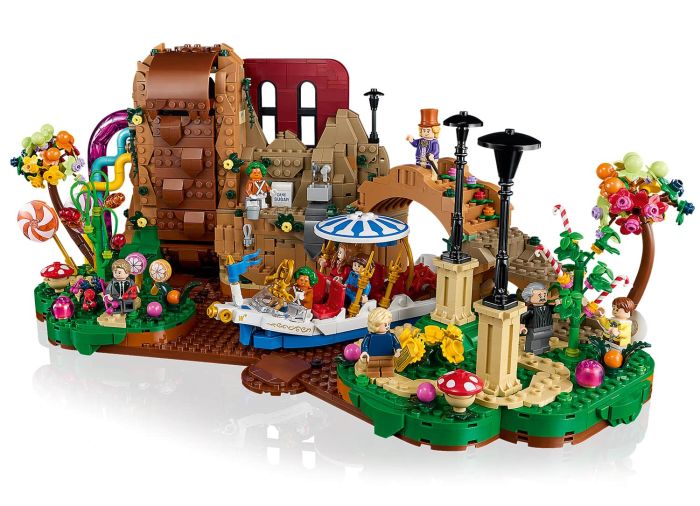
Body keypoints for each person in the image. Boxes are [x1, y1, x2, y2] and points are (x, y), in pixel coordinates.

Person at [360, 308, 401, 378]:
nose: (387, 326)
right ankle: (373, 372)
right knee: (373, 368)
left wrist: (398, 350)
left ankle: (387, 372)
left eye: (389, 324)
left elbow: (396, 344)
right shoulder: (369, 337)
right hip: (373, 357)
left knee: (387, 368)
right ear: (375, 325)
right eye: (385, 325)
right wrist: (364, 352)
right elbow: (364, 345)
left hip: (388, 357)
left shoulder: (391, 336)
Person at [520, 281, 559, 355]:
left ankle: (545, 349)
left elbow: (554, 310)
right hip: (534, 329)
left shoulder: (548, 307)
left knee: (545, 340)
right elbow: (523, 316)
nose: (543, 297)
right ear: (529, 296)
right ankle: (531, 351)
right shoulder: (531, 310)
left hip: (547, 328)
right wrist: (522, 326)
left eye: (544, 295)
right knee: (534, 342)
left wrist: (558, 305)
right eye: (540, 295)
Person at [406, 108, 440, 178]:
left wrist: (432, 154)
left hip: (430, 160)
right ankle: (419, 177)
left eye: (428, 131)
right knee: (419, 169)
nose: (426, 133)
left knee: (433, 168)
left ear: (434, 131)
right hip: (420, 159)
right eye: (424, 130)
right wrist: (411, 140)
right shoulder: (421, 140)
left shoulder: (434, 142)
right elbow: (415, 144)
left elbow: (436, 150)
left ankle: (434, 178)